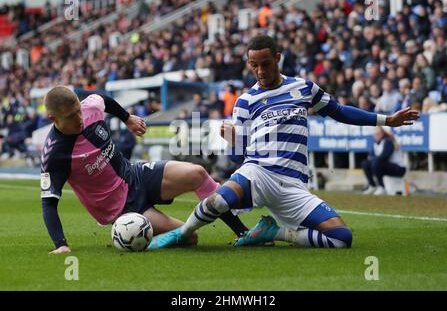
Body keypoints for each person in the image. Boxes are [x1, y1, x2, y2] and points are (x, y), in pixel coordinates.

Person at [148, 35, 419, 250]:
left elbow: (340, 112)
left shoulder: (303, 88)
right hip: (259, 172)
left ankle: (276, 232)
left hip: (293, 185)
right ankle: (182, 234)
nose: (260, 70)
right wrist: (233, 141)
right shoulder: (245, 101)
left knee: (340, 238)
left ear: (277, 58)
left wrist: (386, 120)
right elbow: (237, 159)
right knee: (220, 201)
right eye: (254, 65)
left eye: (265, 63)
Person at [41, 86, 248, 254]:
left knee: (198, 173)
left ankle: (242, 232)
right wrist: (61, 244)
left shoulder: (89, 109)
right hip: (121, 207)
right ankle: (137, 235)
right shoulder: (55, 154)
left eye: (79, 110)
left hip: (134, 174)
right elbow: (49, 203)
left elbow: (101, 98)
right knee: (189, 238)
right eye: (70, 116)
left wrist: (127, 118)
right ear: (53, 118)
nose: (79, 118)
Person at [361, 127, 406, 195]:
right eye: (374, 134)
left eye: (377, 134)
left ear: (382, 133)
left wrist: (374, 160)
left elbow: (384, 157)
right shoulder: (376, 143)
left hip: (399, 168)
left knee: (376, 162)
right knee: (365, 163)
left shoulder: (388, 141)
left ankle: (382, 187)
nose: (375, 136)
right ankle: (372, 185)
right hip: (386, 166)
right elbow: (370, 156)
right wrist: (372, 160)